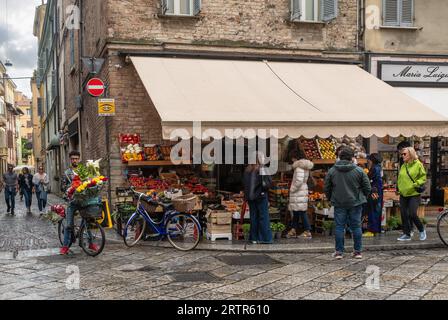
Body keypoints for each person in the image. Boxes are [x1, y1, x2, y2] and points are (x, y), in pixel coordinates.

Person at [324, 147, 371, 260]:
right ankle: (357, 252)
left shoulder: (332, 171)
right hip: (355, 202)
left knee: (339, 227)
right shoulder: (359, 171)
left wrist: (331, 198)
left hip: (339, 202)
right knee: (356, 226)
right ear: (352, 158)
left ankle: (339, 252)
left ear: (339, 157)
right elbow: (367, 187)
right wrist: (362, 197)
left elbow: (327, 188)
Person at [60, 150, 99, 255]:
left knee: (87, 222)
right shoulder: (66, 173)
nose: (75, 160)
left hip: (83, 201)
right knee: (69, 225)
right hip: (72, 201)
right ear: (70, 160)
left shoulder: (84, 171)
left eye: (76, 158)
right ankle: (65, 246)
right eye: (73, 159)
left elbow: (89, 182)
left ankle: (90, 243)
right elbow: (62, 187)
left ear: (79, 159)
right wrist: (71, 187)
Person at [397, 147, 427, 241]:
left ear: (411, 154)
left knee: (412, 213)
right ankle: (407, 234)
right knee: (403, 214)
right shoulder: (403, 165)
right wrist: (399, 188)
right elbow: (400, 178)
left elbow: (423, 177)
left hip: (414, 193)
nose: (402, 156)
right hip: (403, 194)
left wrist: (416, 183)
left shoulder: (418, 164)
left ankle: (421, 230)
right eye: (402, 154)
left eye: (404, 154)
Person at [243, 152, 273, 244]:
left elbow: (245, 184)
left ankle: (254, 238)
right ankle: (264, 238)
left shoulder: (247, 170)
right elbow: (268, 184)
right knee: (263, 217)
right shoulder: (262, 169)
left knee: (253, 217)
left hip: (251, 197)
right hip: (261, 196)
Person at [287, 158, 314, 239]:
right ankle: (293, 230)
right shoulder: (305, 167)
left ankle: (307, 231)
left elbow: (299, 181)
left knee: (301, 212)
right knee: (296, 211)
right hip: (301, 191)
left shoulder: (299, 168)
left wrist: (292, 189)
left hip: (298, 192)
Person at [363, 153, 383, 237]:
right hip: (378, 191)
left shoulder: (374, 168)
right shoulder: (379, 167)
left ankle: (371, 230)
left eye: (369, 159)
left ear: (372, 160)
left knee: (372, 210)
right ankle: (377, 229)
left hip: (374, 191)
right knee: (377, 210)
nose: (368, 161)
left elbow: (368, 178)